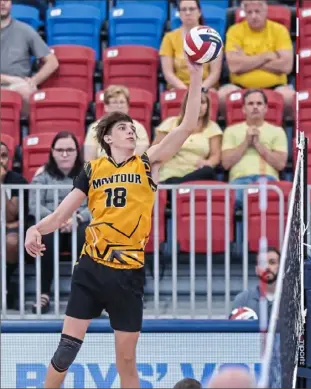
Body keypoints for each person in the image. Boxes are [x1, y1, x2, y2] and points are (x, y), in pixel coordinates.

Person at [24, 55, 204, 388]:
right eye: (123, 128)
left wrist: (195, 76)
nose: (131, 131)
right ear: (107, 137)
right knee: (66, 349)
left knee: (126, 361)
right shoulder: (92, 170)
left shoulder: (147, 163)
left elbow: (187, 125)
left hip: (128, 271)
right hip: (91, 267)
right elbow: (63, 214)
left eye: (132, 127)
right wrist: (36, 229)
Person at [29, 132, 89, 314]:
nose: (65, 154)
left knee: (86, 235)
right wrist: (55, 220)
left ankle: (84, 295)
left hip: (78, 223)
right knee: (45, 236)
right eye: (60, 150)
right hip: (52, 224)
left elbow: (98, 204)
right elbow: (33, 204)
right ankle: (44, 293)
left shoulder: (88, 173)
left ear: (76, 152)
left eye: (69, 150)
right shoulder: (43, 175)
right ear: (52, 152)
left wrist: (78, 218)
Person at [221, 89, 288, 209]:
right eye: (251, 104)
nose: (255, 107)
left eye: (259, 103)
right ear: (243, 109)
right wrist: (246, 142)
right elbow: (226, 163)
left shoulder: (277, 131)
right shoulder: (230, 131)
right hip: (239, 180)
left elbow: (280, 164)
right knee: (231, 204)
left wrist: (258, 145)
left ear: (266, 108)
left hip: (267, 179)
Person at [0, 0, 58, 112]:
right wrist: (12, 79)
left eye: (6, 0)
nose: (2, 3)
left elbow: (52, 62)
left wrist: (34, 81)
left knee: (27, 91)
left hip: (17, 87)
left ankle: (27, 127)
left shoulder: (25, 30)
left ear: (11, 3)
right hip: (13, 82)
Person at [154, 88, 222, 184]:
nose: (198, 106)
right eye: (195, 102)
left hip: (196, 174)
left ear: (207, 106)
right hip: (170, 173)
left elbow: (215, 156)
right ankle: (176, 185)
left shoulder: (212, 127)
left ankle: (177, 184)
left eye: (202, 102)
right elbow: (154, 151)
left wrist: (208, 163)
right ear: (186, 104)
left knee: (208, 171)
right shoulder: (170, 123)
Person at [160, 0, 222, 90]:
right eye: (184, 9)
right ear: (179, 13)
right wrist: (185, 90)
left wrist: (201, 89)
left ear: (199, 12)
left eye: (191, 9)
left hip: (206, 88)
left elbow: (215, 73)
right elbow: (168, 73)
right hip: (179, 88)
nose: (188, 13)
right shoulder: (169, 38)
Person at [84, 85, 150, 161]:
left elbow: (140, 159)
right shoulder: (94, 128)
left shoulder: (138, 128)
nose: (119, 106)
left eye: (122, 102)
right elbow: (89, 161)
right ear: (106, 107)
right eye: (114, 102)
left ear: (128, 106)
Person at [0, 140, 29, 309]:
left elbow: (12, 214)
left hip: (14, 228)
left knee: (11, 242)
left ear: (9, 159)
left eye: (3, 156)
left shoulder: (17, 180)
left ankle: (6, 283)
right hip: (8, 225)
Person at [230, 247, 280, 317]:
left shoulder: (293, 300)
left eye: (272, 262)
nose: (267, 267)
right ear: (256, 270)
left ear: (281, 267)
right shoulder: (243, 300)